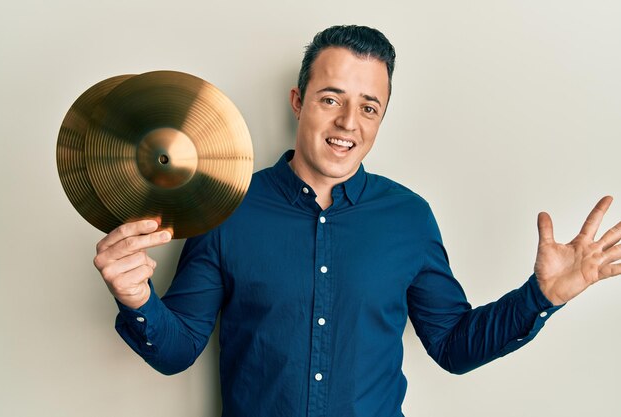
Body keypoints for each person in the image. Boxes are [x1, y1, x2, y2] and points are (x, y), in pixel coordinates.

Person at [93, 25, 621, 417]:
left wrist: (542, 296)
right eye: (331, 99)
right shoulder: (226, 208)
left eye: (369, 107)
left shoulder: (410, 218)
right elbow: (178, 349)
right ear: (298, 102)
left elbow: (454, 346)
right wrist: (137, 298)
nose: (349, 123)